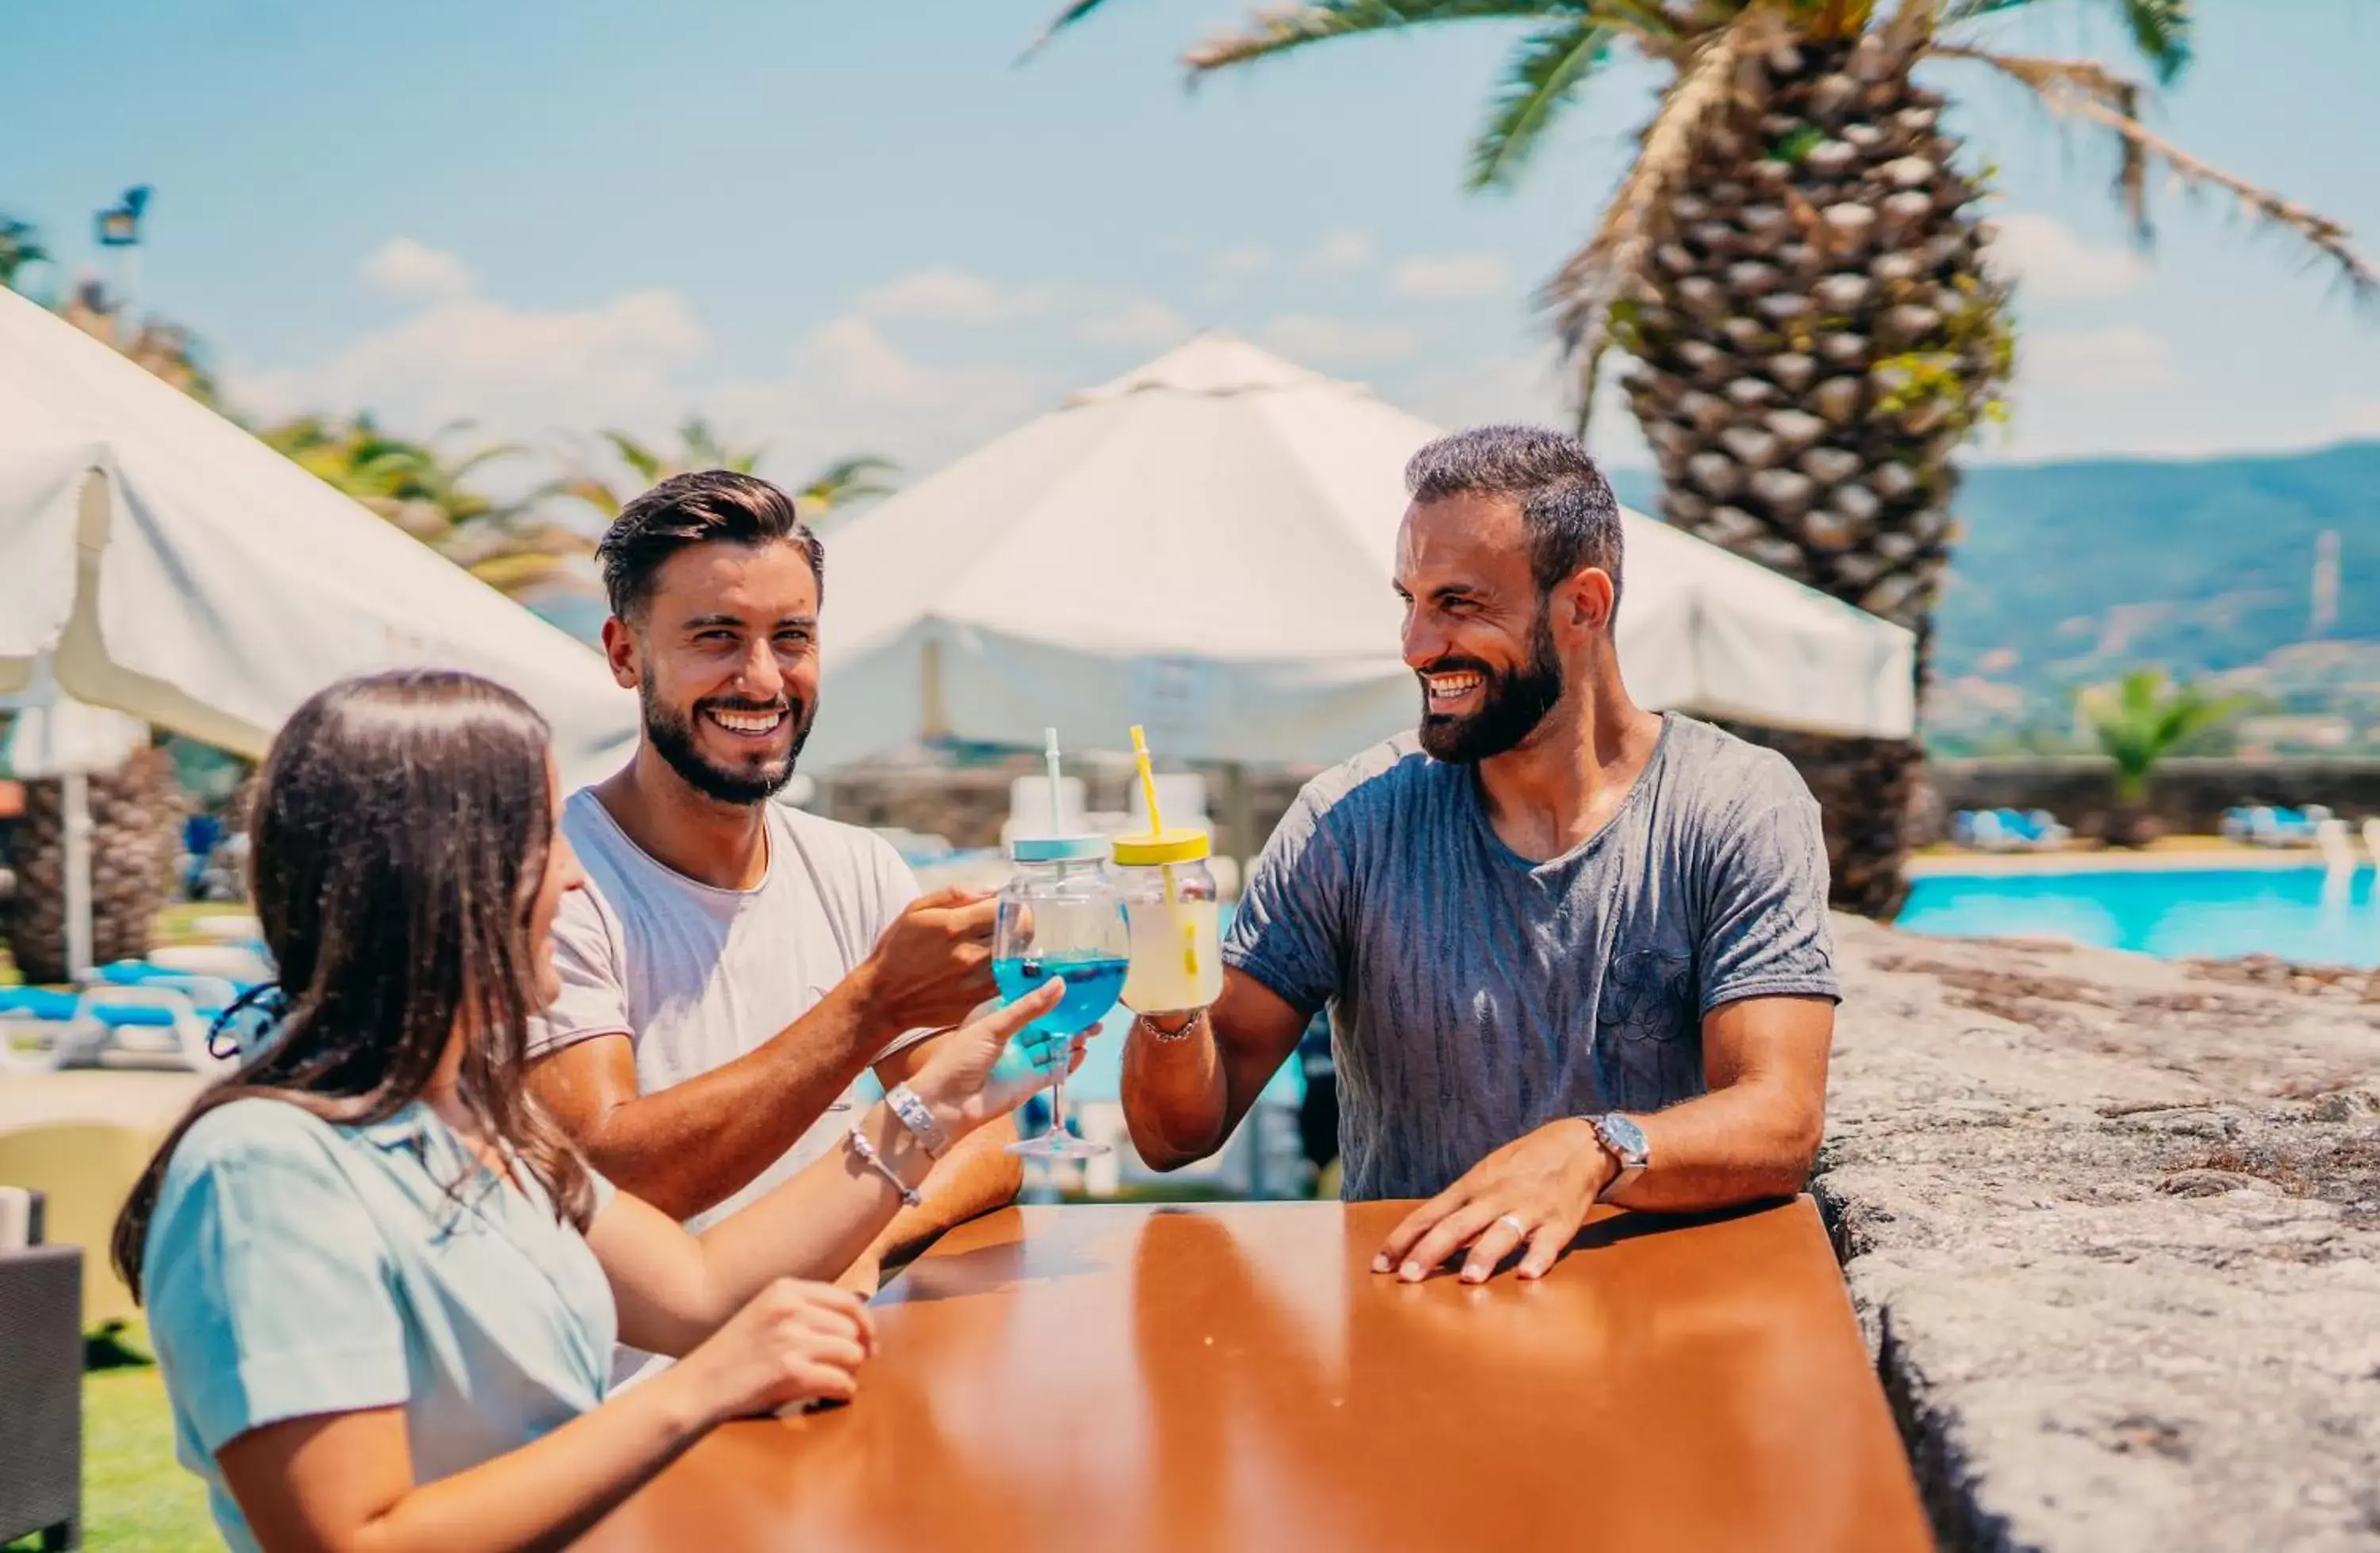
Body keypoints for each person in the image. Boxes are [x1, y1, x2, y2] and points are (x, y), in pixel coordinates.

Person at [113, 670, 1080, 1553]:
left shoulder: (471, 1122)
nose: (577, 878)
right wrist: (700, 1390)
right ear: (442, 869)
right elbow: (350, 1539)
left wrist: (933, 1106)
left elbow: (700, 1287)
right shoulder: (264, 1171)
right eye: (546, 837)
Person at [1120, 425, 1841, 1286]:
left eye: (1459, 603)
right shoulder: (1349, 820)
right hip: (1415, 1329)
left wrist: (1595, 1148)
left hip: (1662, 1332)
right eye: (1410, 601)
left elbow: (1780, 1119)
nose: (1417, 646)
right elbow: (1175, 1135)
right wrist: (1167, 988)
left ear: (1583, 604)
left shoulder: (1735, 803)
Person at [522, 471, 1014, 1367]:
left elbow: (985, 1133)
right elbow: (605, 1177)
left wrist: (858, 1250)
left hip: (811, 1384)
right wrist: (871, 1007)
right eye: (716, 638)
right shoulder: (555, 882)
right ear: (625, 654)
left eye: (791, 637)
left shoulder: (857, 866)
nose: (760, 678)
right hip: (625, 1430)